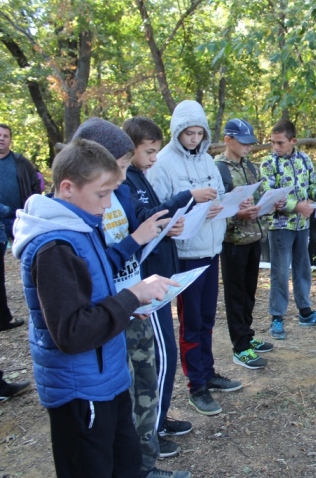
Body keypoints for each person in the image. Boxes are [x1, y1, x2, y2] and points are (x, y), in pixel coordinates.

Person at [12, 138, 177, 478]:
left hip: (106, 378)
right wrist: (131, 297)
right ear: (68, 187)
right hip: (80, 390)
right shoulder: (54, 246)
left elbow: (91, 299)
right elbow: (72, 332)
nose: (108, 203)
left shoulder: (82, 226)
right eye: (102, 194)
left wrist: (128, 309)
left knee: (125, 465)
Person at [73, 118, 191, 478]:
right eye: (120, 167)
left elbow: (132, 230)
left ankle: (144, 464)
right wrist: (136, 240)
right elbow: (95, 264)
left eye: (125, 168)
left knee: (144, 379)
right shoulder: (80, 209)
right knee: (116, 398)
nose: (123, 178)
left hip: (132, 301)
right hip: (110, 310)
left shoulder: (118, 190)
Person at [147, 100, 242, 416]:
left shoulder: (207, 163)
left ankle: (208, 371)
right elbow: (158, 210)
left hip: (210, 248)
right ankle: (196, 386)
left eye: (200, 133)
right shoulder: (162, 164)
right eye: (189, 133)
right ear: (177, 132)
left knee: (206, 318)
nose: (194, 139)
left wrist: (219, 206)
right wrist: (192, 202)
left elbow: (217, 193)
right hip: (186, 253)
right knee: (190, 321)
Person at [123, 116, 206, 450]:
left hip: (159, 278)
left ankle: (158, 418)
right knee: (162, 355)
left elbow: (151, 219)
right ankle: (151, 431)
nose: (154, 158)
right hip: (146, 286)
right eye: (149, 151)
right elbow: (143, 221)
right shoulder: (126, 181)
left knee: (164, 355)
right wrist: (184, 197)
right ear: (130, 149)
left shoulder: (139, 177)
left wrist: (168, 225)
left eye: (156, 151)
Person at [259, 119, 316, 340]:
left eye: (280, 143)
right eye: (273, 143)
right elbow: (269, 197)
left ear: (293, 141)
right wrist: (295, 206)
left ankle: (305, 312)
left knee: (303, 268)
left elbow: (311, 185)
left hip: (303, 225)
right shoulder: (268, 163)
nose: (276, 147)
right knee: (280, 272)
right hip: (281, 226)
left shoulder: (304, 159)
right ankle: (277, 317)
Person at [215, 118, 274, 368]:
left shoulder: (250, 167)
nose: (249, 147)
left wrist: (272, 203)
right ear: (228, 140)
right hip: (233, 242)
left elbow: (259, 195)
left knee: (249, 292)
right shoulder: (218, 169)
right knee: (236, 295)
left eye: (251, 143)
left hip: (253, 238)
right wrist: (236, 215)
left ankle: (247, 337)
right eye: (244, 142)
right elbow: (214, 209)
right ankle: (239, 347)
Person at [0, 123, 41, 332]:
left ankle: (39, 307)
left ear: (10, 139)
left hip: (19, 218)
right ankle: (3, 315)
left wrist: (28, 207)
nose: (1, 139)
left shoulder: (21, 162)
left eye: (5, 135)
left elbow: (35, 185)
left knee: (30, 260)